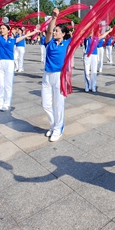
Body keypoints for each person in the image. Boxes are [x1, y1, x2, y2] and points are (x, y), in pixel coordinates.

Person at [0, 15, 37, 110]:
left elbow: (24, 36)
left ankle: (6, 104)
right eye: (1, 28)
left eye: (3, 28)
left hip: (9, 63)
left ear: (8, 30)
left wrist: (34, 32)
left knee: (8, 84)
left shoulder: (12, 40)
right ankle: (0, 103)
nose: (1, 30)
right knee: (0, 84)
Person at [41, 8, 71, 142]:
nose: (54, 32)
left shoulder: (67, 43)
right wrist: (53, 18)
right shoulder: (49, 42)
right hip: (47, 75)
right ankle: (53, 125)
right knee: (46, 104)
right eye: (54, 30)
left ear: (63, 34)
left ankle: (58, 128)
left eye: (57, 31)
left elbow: (82, 33)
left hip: (60, 76)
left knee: (59, 104)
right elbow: (48, 31)